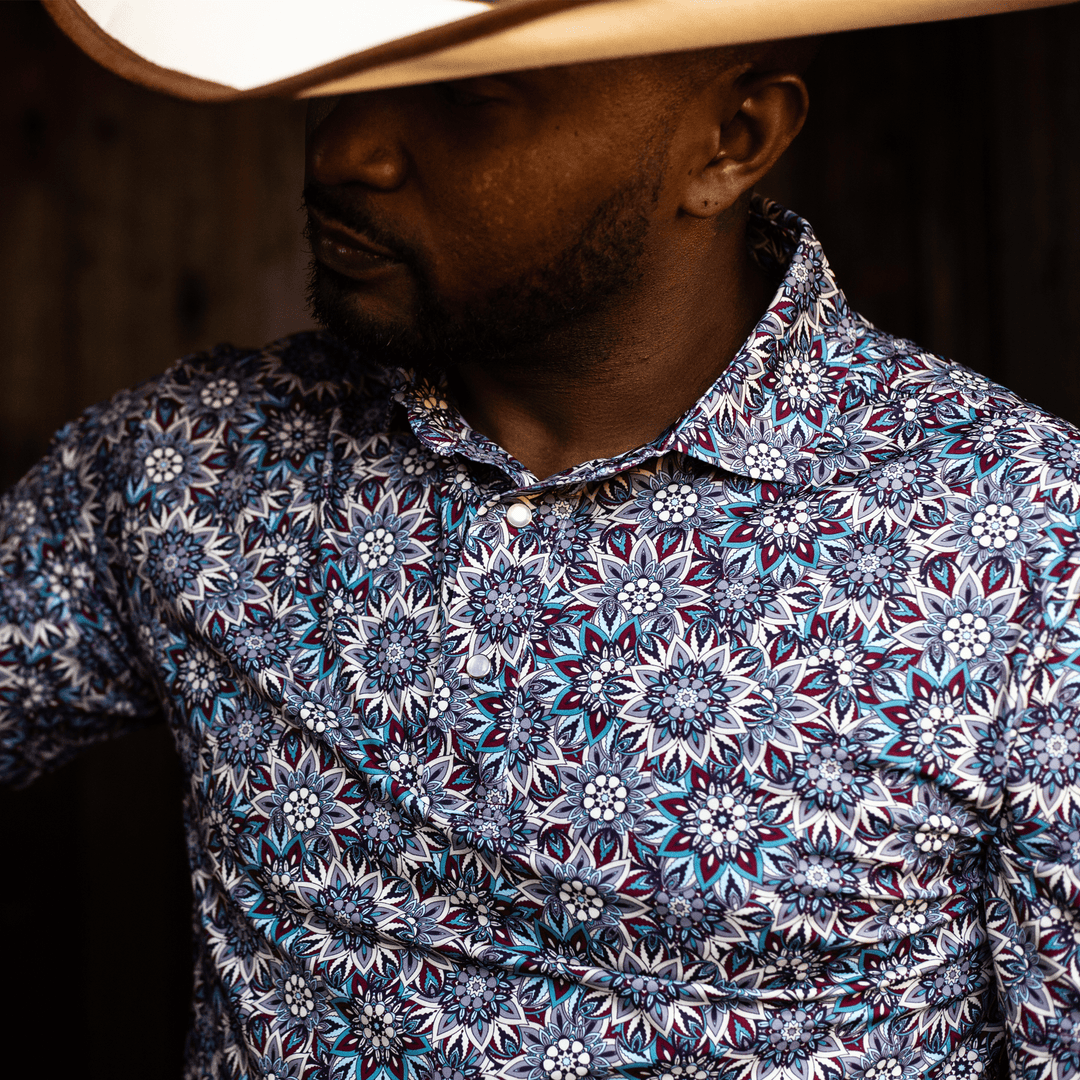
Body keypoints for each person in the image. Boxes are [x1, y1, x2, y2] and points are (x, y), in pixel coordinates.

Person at [4, 1, 1080, 1077]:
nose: (345, 151)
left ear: (733, 141)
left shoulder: (1024, 545)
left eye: (471, 98)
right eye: (347, 71)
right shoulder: (190, 462)